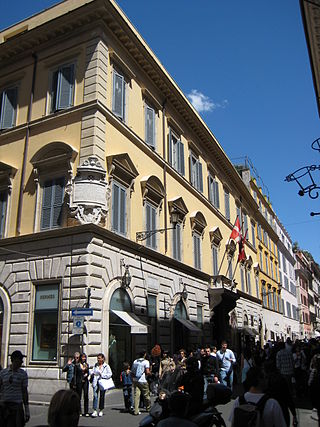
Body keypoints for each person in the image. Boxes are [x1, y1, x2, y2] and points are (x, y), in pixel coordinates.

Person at [0, 350, 30, 427]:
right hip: (4, 406)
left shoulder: (23, 374)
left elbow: (24, 392)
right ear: (14, 360)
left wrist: (27, 409)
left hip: (17, 406)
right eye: (20, 360)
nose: (21, 362)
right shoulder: (3, 373)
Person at [91, 353, 112, 417]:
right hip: (96, 381)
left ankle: (101, 410)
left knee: (102, 396)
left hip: (102, 382)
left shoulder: (106, 366)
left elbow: (110, 374)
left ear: (103, 358)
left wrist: (102, 375)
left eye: (99, 358)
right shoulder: (96, 365)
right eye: (98, 358)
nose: (98, 359)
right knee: (95, 396)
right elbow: (93, 371)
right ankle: (94, 410)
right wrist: (92, 373)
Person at [131, 350, 151, 416]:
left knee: (136, 395)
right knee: (146, 395)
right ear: (144, 354)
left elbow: (132, 371)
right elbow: (147, 372)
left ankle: (136, 410)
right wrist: (151, 374)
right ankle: (148, 408)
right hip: (143, 380)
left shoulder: (135, 361)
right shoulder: (146, 362)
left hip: (136, 380)